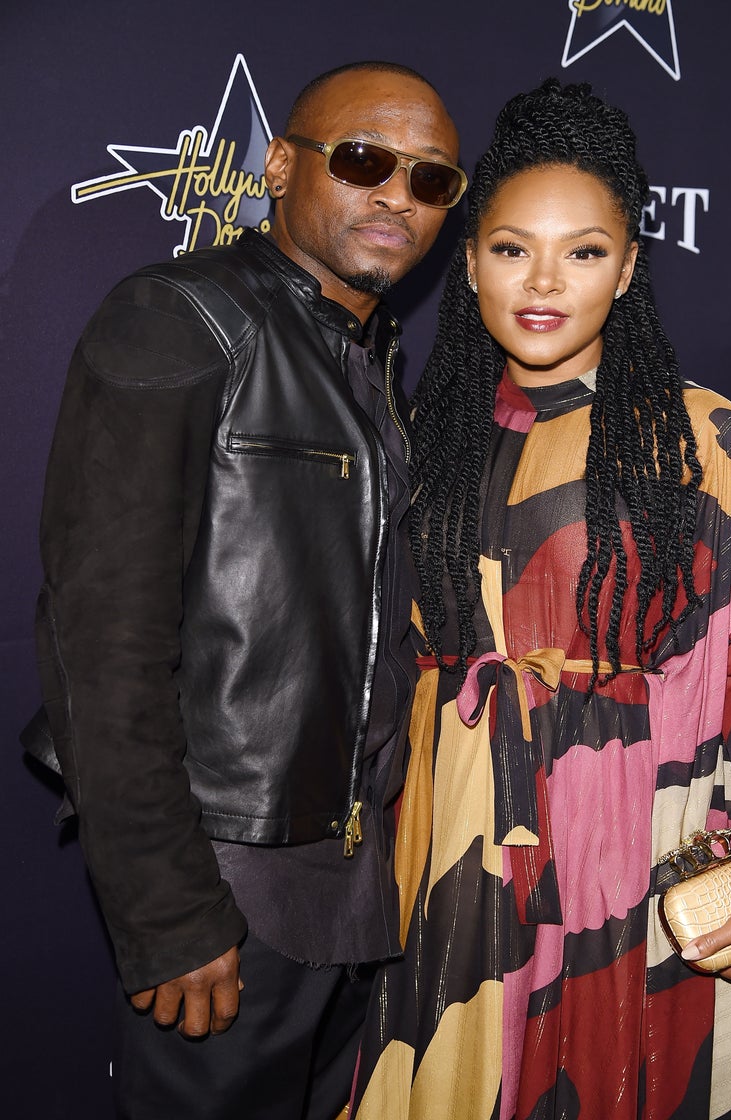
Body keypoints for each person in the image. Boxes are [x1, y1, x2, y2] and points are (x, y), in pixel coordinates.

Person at [349, 79, 731, 1118]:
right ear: (469, 261)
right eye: (510, 247)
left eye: (582, 252)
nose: (542, 281)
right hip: (448, 845)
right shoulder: (427, 435)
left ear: (625, 268)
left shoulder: (697, 436)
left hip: (627, 841)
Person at [27, 61, 466, 1120]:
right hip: (228, 887)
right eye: (363, 160)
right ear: (278, 166)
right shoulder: (181, 317)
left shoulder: (368, 358)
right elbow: (102, 647)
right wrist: (169, 911)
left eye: (431, 180)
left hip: (354, 884)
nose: (397, 196)